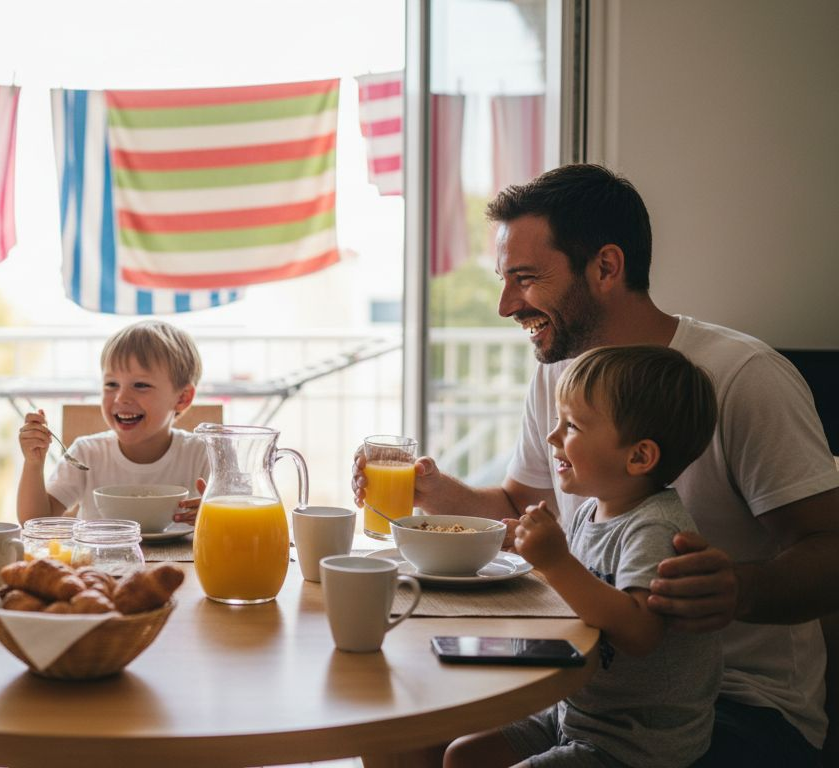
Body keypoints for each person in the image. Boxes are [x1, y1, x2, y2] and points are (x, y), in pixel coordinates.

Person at [354, 164, 839, 764]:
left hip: (730, 705)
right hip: (584, 678)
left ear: (606, 267)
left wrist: (738, 590)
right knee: (400, 730)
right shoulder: (562, 371)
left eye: (526, 279)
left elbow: (830, 543)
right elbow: (524, 511)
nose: (507, 305)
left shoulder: (742, 378)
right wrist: (434, 491)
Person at [446, 345, 722, 767]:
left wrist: (555, 561)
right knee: (464, 756)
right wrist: (525, 546)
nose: (552, 437)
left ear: (638, 456)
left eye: (571, 425)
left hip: (634, 742)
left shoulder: (655, 528)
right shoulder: (591, 512)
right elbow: (575, 596)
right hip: (572, 713)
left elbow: (639, 632)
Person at [17, 319, 209, 524]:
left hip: (183, 557)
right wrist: (33, 463)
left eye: (141, 385)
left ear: (182, 398)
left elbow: (238, 514)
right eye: (111, 384)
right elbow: (34, 521)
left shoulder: (202, 454)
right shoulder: (86, 453)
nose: (120, 398)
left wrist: (212, 514)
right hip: (99, 556)